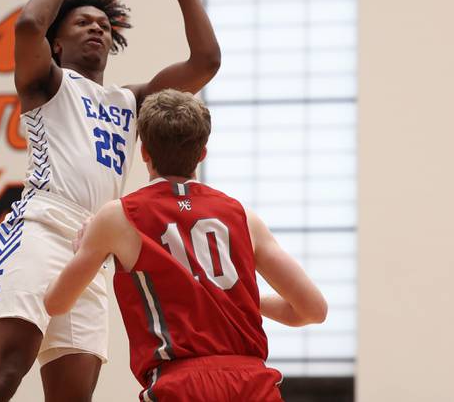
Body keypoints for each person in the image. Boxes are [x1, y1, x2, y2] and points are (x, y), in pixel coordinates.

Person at [0, 0, 221, 402]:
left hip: (92, 250)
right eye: (83, 21)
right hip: (40, 225)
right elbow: (28, 23)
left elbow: (206, 61)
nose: (97, 27)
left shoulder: (131, 99)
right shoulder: (47, 84)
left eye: (104, 24)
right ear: (58, 43)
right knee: (3, 373)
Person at [45, 89, 328, 402]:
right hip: (253, 384)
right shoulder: (243, 216)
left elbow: (56, 303)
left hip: (180, 383)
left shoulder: (117, 216)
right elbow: (313, 310)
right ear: (203, 152)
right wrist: (229, 296)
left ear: (143, 152)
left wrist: (89, 250)